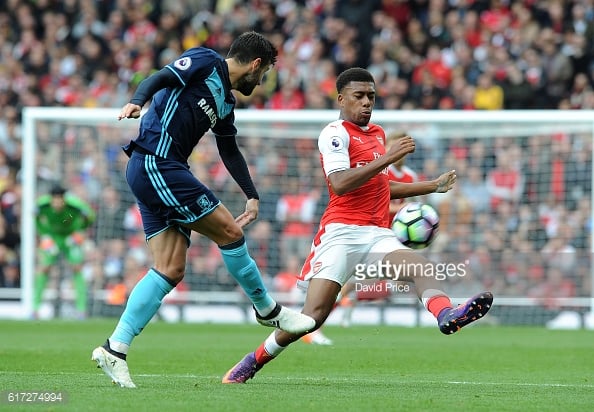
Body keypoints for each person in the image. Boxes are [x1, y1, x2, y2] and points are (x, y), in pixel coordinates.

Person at [222, 67, 493, 383]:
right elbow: (339, 184)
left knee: (421, 268)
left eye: (372, 97)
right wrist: (388, 159)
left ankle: (446, 315)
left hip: (377, 234)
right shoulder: (334, 133)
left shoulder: (377, 134)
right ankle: (252, 361)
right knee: (310, 319)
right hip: (340, 234)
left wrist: (431, 186)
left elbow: (381, 185)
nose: (367, 103)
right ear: (341, 99)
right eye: (359, 96)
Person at [91, 31, 315, 388]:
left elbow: (229, 150)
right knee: (230, 231)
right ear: (255, 65)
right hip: (156, 162)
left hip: (159, 169)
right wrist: (137, 101)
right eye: (265, 73)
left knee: (170, 268)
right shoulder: (206, 61)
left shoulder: (226, 101)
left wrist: (252, 194)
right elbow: (160, 77)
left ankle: (114, 349)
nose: (263, 81)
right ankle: (268, 311)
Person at [33, 184, 96, 319]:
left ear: (64, 200)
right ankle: (35, 308)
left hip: (71, 237)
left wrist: (81, 231)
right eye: (54, 200)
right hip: (53, 237)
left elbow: (90, 216)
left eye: (59, 200)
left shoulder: (75, 206)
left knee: (77, 268)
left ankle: (81, 310)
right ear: (51, 200)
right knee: (44, 268)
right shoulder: (41, 205)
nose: (57, 203)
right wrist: (44, 234)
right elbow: (35, 217)